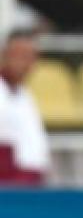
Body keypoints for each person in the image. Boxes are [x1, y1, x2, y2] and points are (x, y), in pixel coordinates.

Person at [0, 30, 49, 186]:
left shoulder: (25, 94)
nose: (25, 62)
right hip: (10, 186)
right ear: (5, 55)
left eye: (30, 56)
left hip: (32, 183)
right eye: (19, 56)